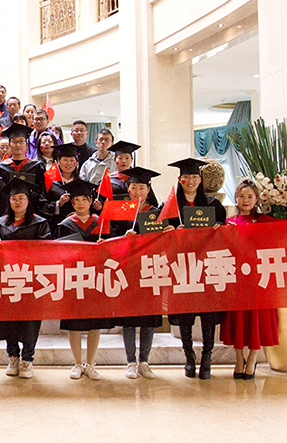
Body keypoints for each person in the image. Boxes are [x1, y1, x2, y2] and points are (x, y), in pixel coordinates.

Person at [164, 158, 227, 379]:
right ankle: (189, 358)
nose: (190, 181)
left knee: (208, 313)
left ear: (200, 180)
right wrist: (171, 231)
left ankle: (207, 358)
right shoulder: (170, 206)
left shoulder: (213, 204)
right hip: (181, 267)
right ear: (179, 180)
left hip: (207, 267)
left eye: (194, 177)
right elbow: (159, 233)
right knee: (185, 313)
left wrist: (220, 228)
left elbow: (225, 233)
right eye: (186, 177)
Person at [0, 177, 52, 378]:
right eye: (14, 198)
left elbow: (45, 251)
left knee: (30, 320)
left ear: (28, 200)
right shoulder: (0, 224)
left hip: (31, 280)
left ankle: (27, 359)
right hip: (8, 279)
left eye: (21, 198)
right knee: (9, 318)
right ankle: (13, 356)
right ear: (8, 201)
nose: (17, 202)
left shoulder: (40, 223)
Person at [220, 178, 279, 380]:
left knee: (257, 319)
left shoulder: (263, 220)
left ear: (257, 199)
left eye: (250, 196)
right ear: (236, 198)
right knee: (238, 319)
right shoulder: (228, 223)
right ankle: (239, 359)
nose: (245, 200)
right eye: (242, 196)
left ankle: (252, 359)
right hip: (236, 280)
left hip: (259, 279)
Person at [110, 167, 164, 380]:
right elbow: (110, 239)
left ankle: (144, 362)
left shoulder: (156, 212)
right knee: (129, 319)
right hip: (128, 270)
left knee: (148, 319)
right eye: (134, 187)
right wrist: (124, 237)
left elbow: (163, 240)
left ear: (148, 189)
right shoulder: (120, 211)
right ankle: (130, 361)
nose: (138, 191)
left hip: (150, 269)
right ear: (128, 189)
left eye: (142, 187)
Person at [56, 178, 109, 381]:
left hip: (96, 278)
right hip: (74, 278)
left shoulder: (101, 223)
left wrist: (105, 245)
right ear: (72, 203)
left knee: (95, 323)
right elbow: (58, 252)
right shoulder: (65, 225)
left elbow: (112, 251)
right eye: (76, 200)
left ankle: (91, 364)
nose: (80, 203)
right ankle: (77, 363)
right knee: (74, 323)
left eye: (84, 200)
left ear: (90, 201)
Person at [0, 122, 46, 214]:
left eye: (21, 141)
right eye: (14, 141)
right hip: (6, 213)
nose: (18, 145)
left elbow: (42, 191)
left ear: (26, 145)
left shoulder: (37, 166)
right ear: (9, 145)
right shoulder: (0, 167)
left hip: (32, 211)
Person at [43, 143, 80, 232]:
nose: (69, 163)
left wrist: (79, 213)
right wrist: (58, 203)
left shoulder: (81, 183)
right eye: (65, 160)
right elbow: (42, 207)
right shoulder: (50, 182)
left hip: (77, 226)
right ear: (58, 161)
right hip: (56, 226)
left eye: (72, 160)